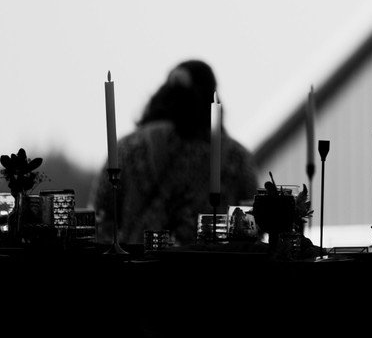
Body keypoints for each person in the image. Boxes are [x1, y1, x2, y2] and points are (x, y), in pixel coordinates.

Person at [95, 60, 261, 245]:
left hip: (136, 264)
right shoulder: (236, 158)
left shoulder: (127, 148)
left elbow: (100, 218)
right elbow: (254, 222)